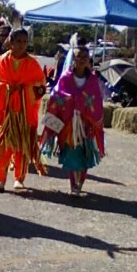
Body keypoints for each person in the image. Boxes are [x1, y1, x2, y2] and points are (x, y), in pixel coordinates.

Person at [0, 28, 47, 192]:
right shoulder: (0, 61)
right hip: (4, 111)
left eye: (24, 42)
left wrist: (24, 89)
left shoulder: (32, 64)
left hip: (23, 112)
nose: (21, 45)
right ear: (10, 43)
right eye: (18, 41)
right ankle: (0, 179)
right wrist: (7, 88)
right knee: (2, 146)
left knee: (21, 146)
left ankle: (19, 178)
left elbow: (40, 86)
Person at [40, 38, 105, 196]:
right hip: (69, 124)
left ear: (89, 59)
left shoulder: (92, 80)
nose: (82, 60)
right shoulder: (66, 78)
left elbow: (96, 101)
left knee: (84, 154)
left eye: (85, 57)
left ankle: (80, 182)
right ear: (73, 59)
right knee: (71, 153)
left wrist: (85, 108)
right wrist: (71, 103)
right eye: (78, 56)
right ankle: (73, 184)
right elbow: (57, 96)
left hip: (86, 124)